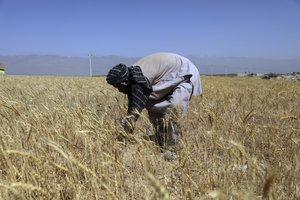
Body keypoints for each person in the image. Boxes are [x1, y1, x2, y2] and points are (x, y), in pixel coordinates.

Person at [106, 52, 202, 152]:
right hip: (166, 77)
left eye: (119, 87)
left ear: (124, 82)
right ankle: (162, 137)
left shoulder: (138, 81)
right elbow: (134, 107)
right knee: (152, 105)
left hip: (183, 73)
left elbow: (134, 113)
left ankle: (173, 147)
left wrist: (123, 136)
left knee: (174, 109)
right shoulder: (131, 76)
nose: (119, 90)